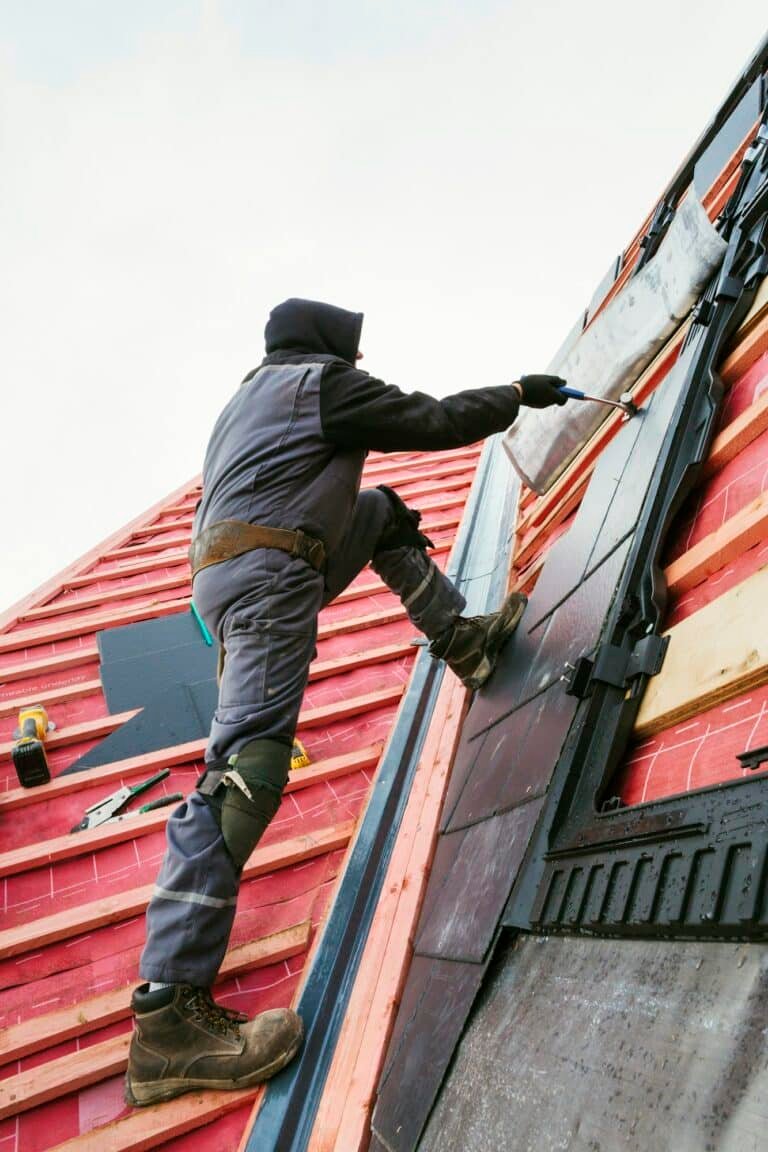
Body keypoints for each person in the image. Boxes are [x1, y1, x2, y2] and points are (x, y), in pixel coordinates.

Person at [125, 298, 568, 1106]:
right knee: (244, 775)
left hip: (247, 567)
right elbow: (431, 419)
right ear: (330, 350)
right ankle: (166, 1016)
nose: (358, 370)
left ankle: (462, 641)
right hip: (269, 577)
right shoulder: (317, 384)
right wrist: (515, 393)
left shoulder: (247, 400)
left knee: (379, 512)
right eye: (352, 357)